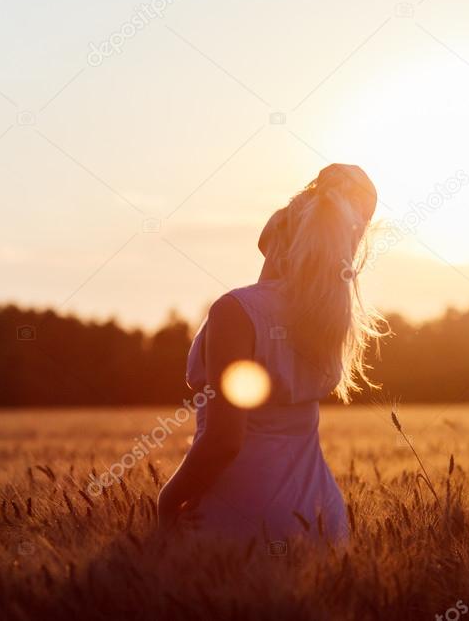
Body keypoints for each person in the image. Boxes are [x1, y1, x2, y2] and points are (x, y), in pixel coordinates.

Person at [157, 164, 388, 544]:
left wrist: (167, 502)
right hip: (322, 520)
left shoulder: (237, 310)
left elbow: (224, 439)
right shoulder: (327, 314)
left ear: (278, 235)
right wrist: (336, 191)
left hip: (239, 518)